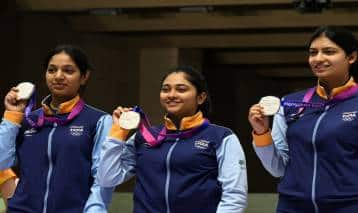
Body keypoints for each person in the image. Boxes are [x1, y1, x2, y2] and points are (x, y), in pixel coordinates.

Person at [248, 26, 358, 213]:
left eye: (329, 52)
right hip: (292, 207)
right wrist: (261, 133)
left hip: (348, 207)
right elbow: (277, 168)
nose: (318, 59)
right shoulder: (290, 103)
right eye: (313, 53)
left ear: (351, 57)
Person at [98, 66, 248, 212]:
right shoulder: (144, 136)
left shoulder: (220, 137)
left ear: (201, 98)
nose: (171, 95)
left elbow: (234, 195)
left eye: (181, 89)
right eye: (165, 89)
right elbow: (107, 178)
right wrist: (117, 132)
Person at [0, 45, 113, 212]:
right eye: (52, 70)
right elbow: (2, 162)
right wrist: (11, 115)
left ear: (84, 76)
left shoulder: (98, 121)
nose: (58, 76)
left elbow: (102, 179)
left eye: (68, 71)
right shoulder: (27, 120)